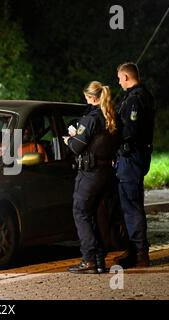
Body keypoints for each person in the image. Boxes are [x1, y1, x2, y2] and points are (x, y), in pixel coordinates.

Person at [63, 81, 119, 274]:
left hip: (90, 172)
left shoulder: (90, 119)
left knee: (80, 212)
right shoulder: (112, 116)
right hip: (107, 173)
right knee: (99, 216)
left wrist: (69, 139)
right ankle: (100, 259)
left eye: (86, 97)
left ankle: (88, 259)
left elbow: (77, 146)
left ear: (91, 98)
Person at [113, 62, 155, 268]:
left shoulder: (135, 99)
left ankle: (140, 253)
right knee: (129, 204)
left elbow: (130, 131)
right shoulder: (143, 96)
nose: (119, 82)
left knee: (131, 205)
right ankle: (134, 250)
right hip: (136, 156)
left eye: (120, 78)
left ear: (127, 77)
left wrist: (115, 140)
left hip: (131, 158)